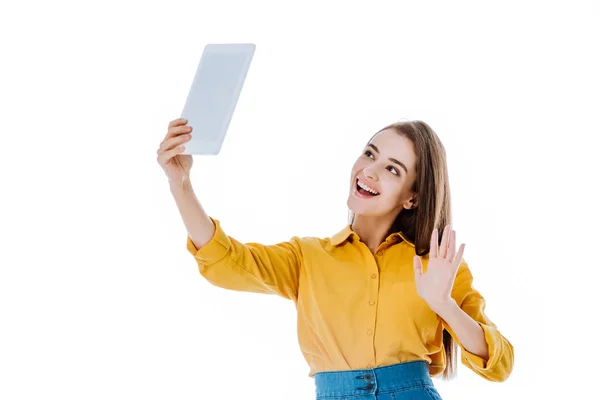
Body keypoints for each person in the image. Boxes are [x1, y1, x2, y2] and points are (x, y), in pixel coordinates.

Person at [157, 117, 514, 399]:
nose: (370, 171)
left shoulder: (437, 267)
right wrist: (181, 185)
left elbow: (500, 364)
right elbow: (227, 264)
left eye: (393, 169)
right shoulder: (308, 258)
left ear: (413, 198)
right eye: (370, 154)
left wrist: (444, 304)